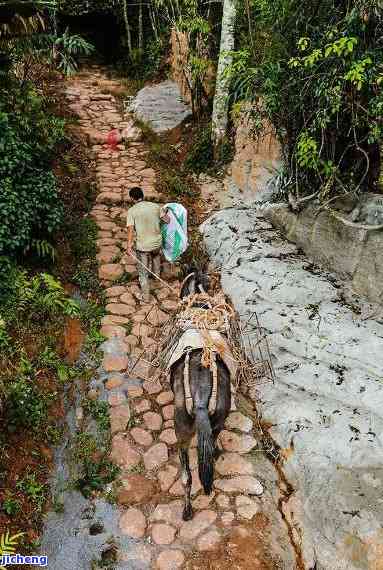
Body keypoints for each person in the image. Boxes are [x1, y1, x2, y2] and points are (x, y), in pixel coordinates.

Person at [126, 187, 166, 302]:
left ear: (132, 198)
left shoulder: (132, 211)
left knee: (143, 272)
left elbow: (130, 230)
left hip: (143, 246)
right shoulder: (155, 206)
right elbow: (167, 220)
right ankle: (157, 282)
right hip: (157, 243)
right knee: (156, 257)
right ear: (142, 196)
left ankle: (146, 297)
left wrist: (129, 247)